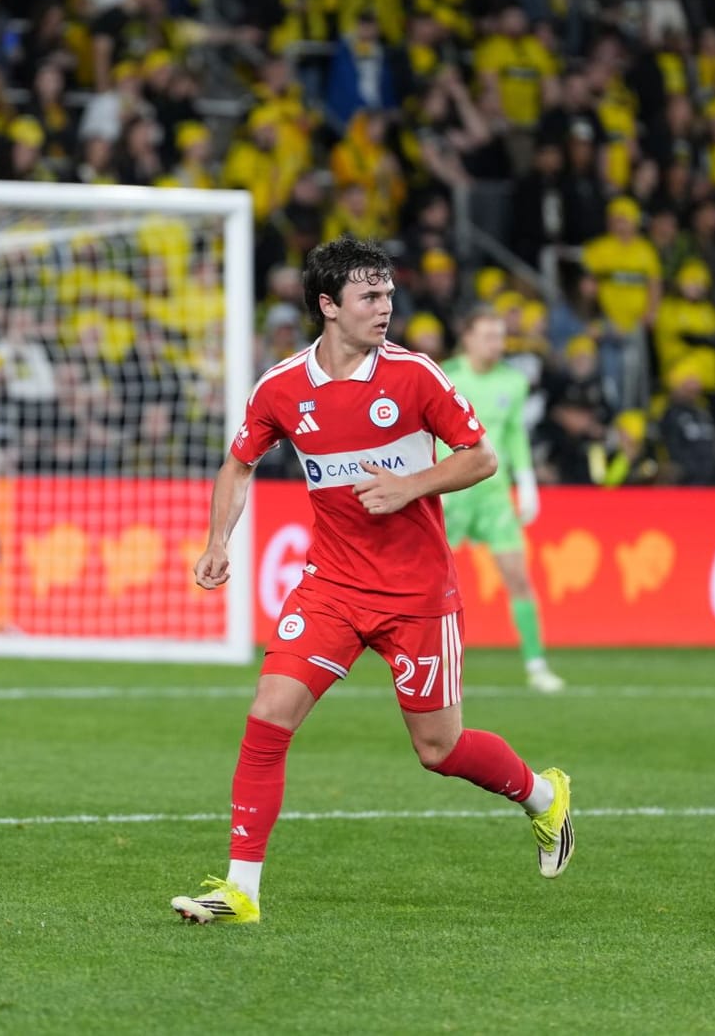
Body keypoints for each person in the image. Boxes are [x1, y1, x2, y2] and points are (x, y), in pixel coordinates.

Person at [172, 237, 573, 926]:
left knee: (438, 749)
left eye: (388, 293)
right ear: (328, 305)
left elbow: (480, 457)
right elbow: (238, 463)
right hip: (330, 585)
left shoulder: (416, 376)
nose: (385, 307)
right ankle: (241, 890)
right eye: (369, 296)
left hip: (417, 593)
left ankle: (543, 795)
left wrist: (410, 484)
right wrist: (218, 540)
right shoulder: (281, 386)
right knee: (268, 714)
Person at [439, 307, 564, 693]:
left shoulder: (514, 381)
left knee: (517, 577)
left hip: (494, 494)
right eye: (489, 336)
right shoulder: (445, 377)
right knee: (427, 582)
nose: (498, 344)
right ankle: (416, 656)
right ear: (468, 338)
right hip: (449, 490)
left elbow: (513, 435)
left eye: (500, 336)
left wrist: (526, 482)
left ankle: (536, 663)